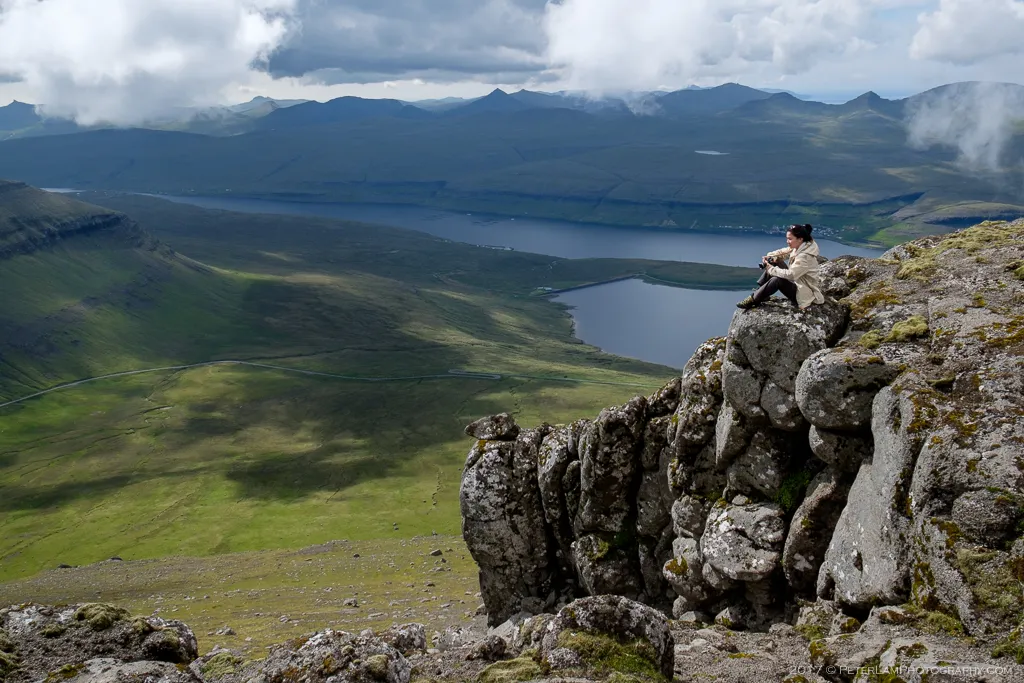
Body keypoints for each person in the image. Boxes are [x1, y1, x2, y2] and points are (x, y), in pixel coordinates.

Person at [736, 223, 825, 310]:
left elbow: (792, 275)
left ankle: (754, 299)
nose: (787, 241)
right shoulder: (800, 246)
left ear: (800, 239)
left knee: (778, 280)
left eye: (790, 239)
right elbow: (784, 252)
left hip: (803, 293)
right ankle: (761, 292)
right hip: (798, 283)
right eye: (787, 238)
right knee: (776, 261)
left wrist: (771, 269)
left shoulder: (804, 256)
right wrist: (771, 256)